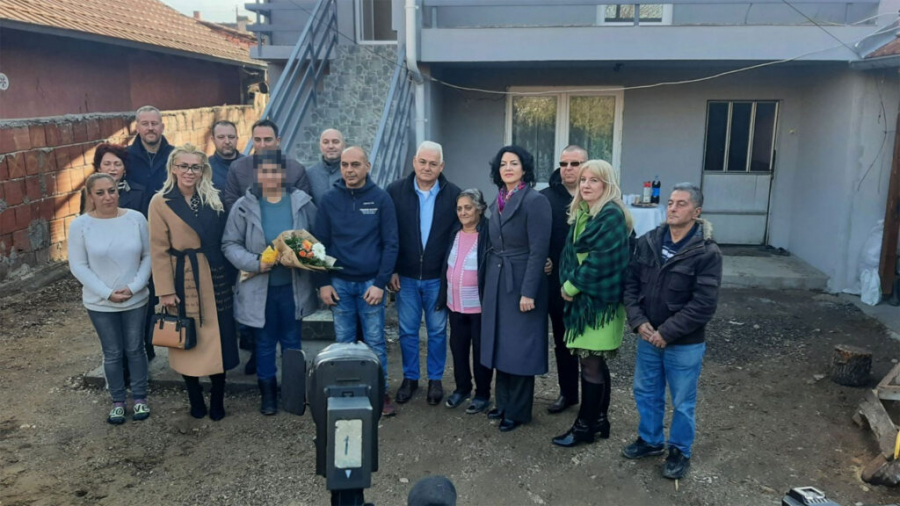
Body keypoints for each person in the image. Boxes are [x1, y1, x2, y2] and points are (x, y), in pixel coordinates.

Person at [622, 183, 723, 480]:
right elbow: (630, 285)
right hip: (648, 336)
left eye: (681, 204)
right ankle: (651, 440)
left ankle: (679, 450)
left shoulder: (706, 253)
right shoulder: (649, 241)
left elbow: (704, 304)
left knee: (682, 400)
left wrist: (666, 332)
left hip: (684, 343)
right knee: (646, 391)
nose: (673, 208)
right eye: (670, 203)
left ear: (697, 212)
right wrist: (639, 322)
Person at [222, 150, 318, 415]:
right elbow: (229, 243)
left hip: (292, 288)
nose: (271, 176)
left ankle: (293, 393)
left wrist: (300, 255)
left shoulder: (301, 202)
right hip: (259, 289)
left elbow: (317, 240)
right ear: (257, 175)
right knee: (264, 344)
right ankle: (268, 397)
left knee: (292, 343)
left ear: (283, 173)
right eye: (265, 172)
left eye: (275, 171)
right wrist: (255, 262)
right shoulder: (244, 205)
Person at [149, 143, 239, 421]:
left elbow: (225, 238)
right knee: (186, 337)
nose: (189, 171)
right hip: (183, 276)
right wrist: (164, 291)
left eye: (195, 167)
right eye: (184, 166)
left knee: (218, 338)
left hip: (215, 274)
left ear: (203, 170)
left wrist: (233, 274)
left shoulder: (214, 197)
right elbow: (158, 249)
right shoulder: (160, 201)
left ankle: (218, 399)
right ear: (174, 168)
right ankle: (195, 397)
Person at [551, 160, 632, 448]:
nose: (585, 184)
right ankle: (599, 421)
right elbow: (571, 254)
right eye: (583, 179)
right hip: (587, 301)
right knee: (594, 362)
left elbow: (602, 262)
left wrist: (570, 286)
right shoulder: (585, 212)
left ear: (607, 185)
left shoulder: (610, 215)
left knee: (590, 364)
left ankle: (585, 426)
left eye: (593, 180)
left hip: (598, 303)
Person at [314, 146, 399, 416]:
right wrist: (323, 282)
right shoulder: (329, 200)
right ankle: (345, 392)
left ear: (367, 167)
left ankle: (380, 393)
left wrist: (380, 283)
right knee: (344, 343)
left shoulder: (381, 199)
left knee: (375, 342)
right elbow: (319, 246)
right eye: (344, 165)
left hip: (370, 284)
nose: (349, 170)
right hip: (339, 284)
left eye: (355, 165)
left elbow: (391, 244)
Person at [68, 173, 151, 424]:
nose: (108, 197)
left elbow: (148, 256)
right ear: (90, 196)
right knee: (112, 352)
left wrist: (134, 287)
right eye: (100, 193)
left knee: (136, 349)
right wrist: (106, 292)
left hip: (135, 299)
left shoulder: (136, 219)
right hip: (100, 303)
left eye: (112, 191)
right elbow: (78, 266)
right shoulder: (80, 225)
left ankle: (139, 398)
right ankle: (117, 400)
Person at [481, 145, 551, 432]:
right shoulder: (498, 200)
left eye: (514, 163)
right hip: (498, 281)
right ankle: (503, 402)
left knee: (520, 347)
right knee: (500, 343)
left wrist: (529, 291)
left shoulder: (534, 201)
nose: (508, 168)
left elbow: (538, 251)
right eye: (503, 164)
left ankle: (518, 411)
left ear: (525, 168)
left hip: (522, 279)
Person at [387, 141, 461, 406]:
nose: (427, 168)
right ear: (414, 162)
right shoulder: (395, 191)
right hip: (404, 277)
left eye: (433, 163)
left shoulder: (454, 195)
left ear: (441, 166)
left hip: (437, 278)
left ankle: (435, 379)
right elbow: (389, 234)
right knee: (407, 330)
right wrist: (391, 269)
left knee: (438, 331)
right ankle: (410, 378)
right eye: (423, 162)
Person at [437, 189, 492, 414]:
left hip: (478, 306)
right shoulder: (455, 232)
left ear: (479, 209)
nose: (463, 212)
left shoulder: (488, 232)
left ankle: (482, 394)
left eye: (468, 207)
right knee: (458, 349)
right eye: (459, 208)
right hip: (455, 304)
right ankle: (462, 388)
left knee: (480, 351)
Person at [541, 145, 587, 415]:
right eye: (564, 163)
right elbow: (534, 236)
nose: (568, 168)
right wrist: (544, 259)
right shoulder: (544, 198)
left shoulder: (596, 196)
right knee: (562, 341)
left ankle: (594, 401)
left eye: (575, 163)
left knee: (591, 348)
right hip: (557, 284)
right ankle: (568, 392)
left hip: (589, 284)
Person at [222, 119, 311, 211]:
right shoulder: (237, 168)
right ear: (252, 140)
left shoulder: (296, 169)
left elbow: (303, 204)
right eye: (257, 140)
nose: (262, 145)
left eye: (267, 140)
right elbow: (231, 202)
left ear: (277, 141)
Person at [125, 105, 174, 217]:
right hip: (136, 219)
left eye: (154, 123)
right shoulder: (125, 156)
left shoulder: (175, 155)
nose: (150, 128)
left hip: (168, 218)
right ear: (137, 127)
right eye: (145, 124)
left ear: (162, 127)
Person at [80, 143, 145, 215]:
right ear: (99, 168)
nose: (112, 169)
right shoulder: (88, 192)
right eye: (107, 164)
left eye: (117, 164)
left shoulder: (139, 192)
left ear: (124, 168)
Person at [307, 128, 345, 204]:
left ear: (344, 145)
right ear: (320, 146)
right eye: (326, 142)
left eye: (335, 142)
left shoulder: (354, 172)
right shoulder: (309, 174)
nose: (330, 146)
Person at [209, 120, 244, 190]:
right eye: (221, 137)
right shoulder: (205, 168)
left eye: (231, 137)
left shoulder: (249, 164)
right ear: (213, 140)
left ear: (237, 139)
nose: (227, 142)